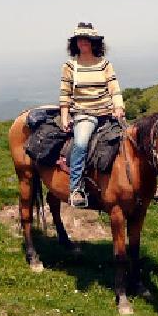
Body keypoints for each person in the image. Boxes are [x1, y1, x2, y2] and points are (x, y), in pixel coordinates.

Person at [59, 22, 125, 208]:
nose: (83, 42)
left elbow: (114, 88)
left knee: (132, 139)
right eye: (80, 39)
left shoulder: (105, 64)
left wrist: (118, 107)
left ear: (94, 42)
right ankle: (76, 188)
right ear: (75, 43)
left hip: (108, 112)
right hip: (84, 114)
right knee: (80, 144)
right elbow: (65, 94)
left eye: (87, 39)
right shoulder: (70, 66)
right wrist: (65, 117)